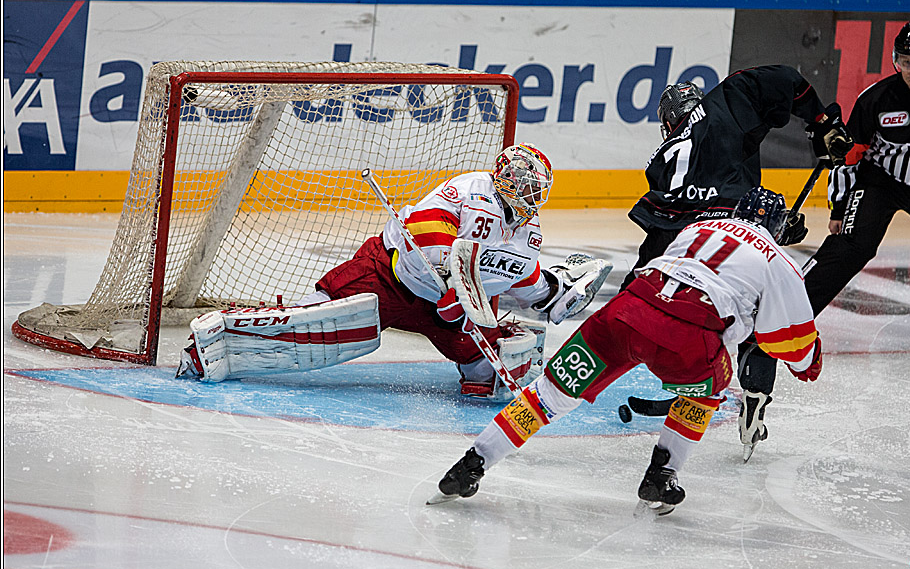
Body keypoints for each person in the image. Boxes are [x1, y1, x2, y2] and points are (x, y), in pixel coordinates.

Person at [428, 186, 823, 515]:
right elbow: (791, 343)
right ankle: (660, 477)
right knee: (707, 393)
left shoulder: (701, 226)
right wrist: (810, 364)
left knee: (549, 394)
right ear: (776, 226)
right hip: (689, 336)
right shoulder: (777, 260)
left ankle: (473, 462)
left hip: (625, 311)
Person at [737, 21, 910, 460]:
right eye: (906, 60)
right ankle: (785, 318)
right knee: (848, 249)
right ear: (895, 60)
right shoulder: (876, 100)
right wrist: (837, 207)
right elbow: (848, 157)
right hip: (879, 182)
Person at [176, 143, 610, 398]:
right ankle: (222, 339)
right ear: (503, 176)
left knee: (486, 371)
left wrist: (550, 292)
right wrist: (452, 279)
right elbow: (425, 227)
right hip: (391, 276)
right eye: (524, 182)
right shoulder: (471, 189)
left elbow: (520, 274)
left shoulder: (528, 227)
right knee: (319, 319)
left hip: (449, 306)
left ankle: (478, 369)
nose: (531, 192)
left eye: (537, 186)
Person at [621, 64, 853, 293]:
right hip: (729, 234)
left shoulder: (658, 159)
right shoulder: (719, 109)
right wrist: (822, 121)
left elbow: (684, 215)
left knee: (635, 295)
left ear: (669, 123)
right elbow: (786, 78)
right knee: (745, 300)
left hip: (671, 239)